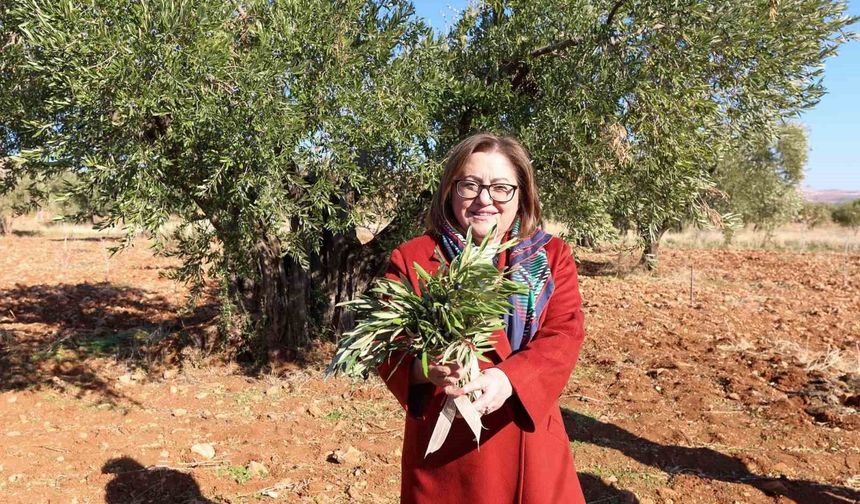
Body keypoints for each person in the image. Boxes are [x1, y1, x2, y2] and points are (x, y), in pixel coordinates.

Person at [378, 132, 587, 503]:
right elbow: (386, 346)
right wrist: (425, 369)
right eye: (470, 185)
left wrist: (510, 379)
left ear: (521, 193)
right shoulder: (413, 258)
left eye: (501, 187)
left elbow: (563, 335)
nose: (485, 199)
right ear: (449, 190)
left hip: (530, 436)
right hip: (448, 459)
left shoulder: (551, 257)